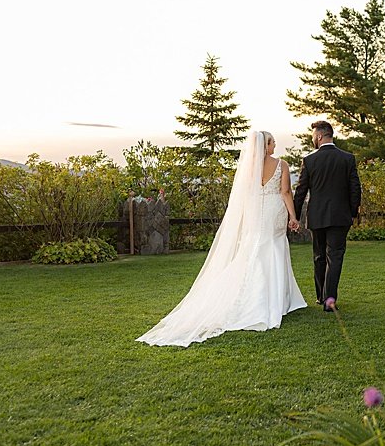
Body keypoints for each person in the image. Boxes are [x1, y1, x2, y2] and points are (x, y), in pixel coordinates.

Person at [137, 129, 307, 346]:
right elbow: (285, 192)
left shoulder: (248, 168)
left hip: (255, 212)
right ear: (266, 145)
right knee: (273, 248)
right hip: (274, 210)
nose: (275, 146)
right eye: (273, 142)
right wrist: (293, 216)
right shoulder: (281, 164)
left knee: (253, 250)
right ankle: (276, 301)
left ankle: (255, 297)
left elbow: (244, 195)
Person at [290, 119, 362, 312]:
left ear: (320, 136)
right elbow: (355, 188)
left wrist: (294, 216)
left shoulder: (309, 160)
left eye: (313, 136)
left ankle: (321, 297)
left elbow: (301, 192)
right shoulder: (347, 158)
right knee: (335, 257)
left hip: (317, 216)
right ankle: (329, 301)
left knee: (319, 256)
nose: (313, 139)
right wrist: (352, 211)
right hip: (340, 216)